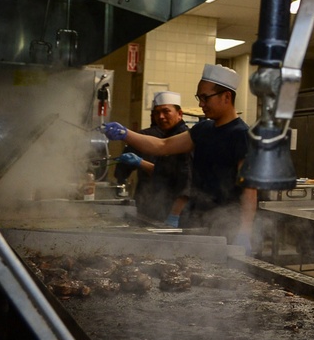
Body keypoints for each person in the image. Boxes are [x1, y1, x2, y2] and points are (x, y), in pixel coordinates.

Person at [102, 64, 259, 253]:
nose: (201, 104)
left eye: (205, 97)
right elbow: (163, 146)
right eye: (199, 97)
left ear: (226, 97)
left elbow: (249, 190)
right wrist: (126, 133)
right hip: (196, 219)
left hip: (226, 224)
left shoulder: (242, 135)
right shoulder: (203, 130)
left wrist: (245, 231)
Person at [113, 91, 191, 226]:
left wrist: (174, 215)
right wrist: (140, 162)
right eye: (157, 113)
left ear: (179, 114)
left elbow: (188, 182)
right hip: (159, 209)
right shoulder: (168, 136)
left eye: (166, 111)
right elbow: (164, 173)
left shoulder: (184, 139)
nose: (161, 117)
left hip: (177, 215)